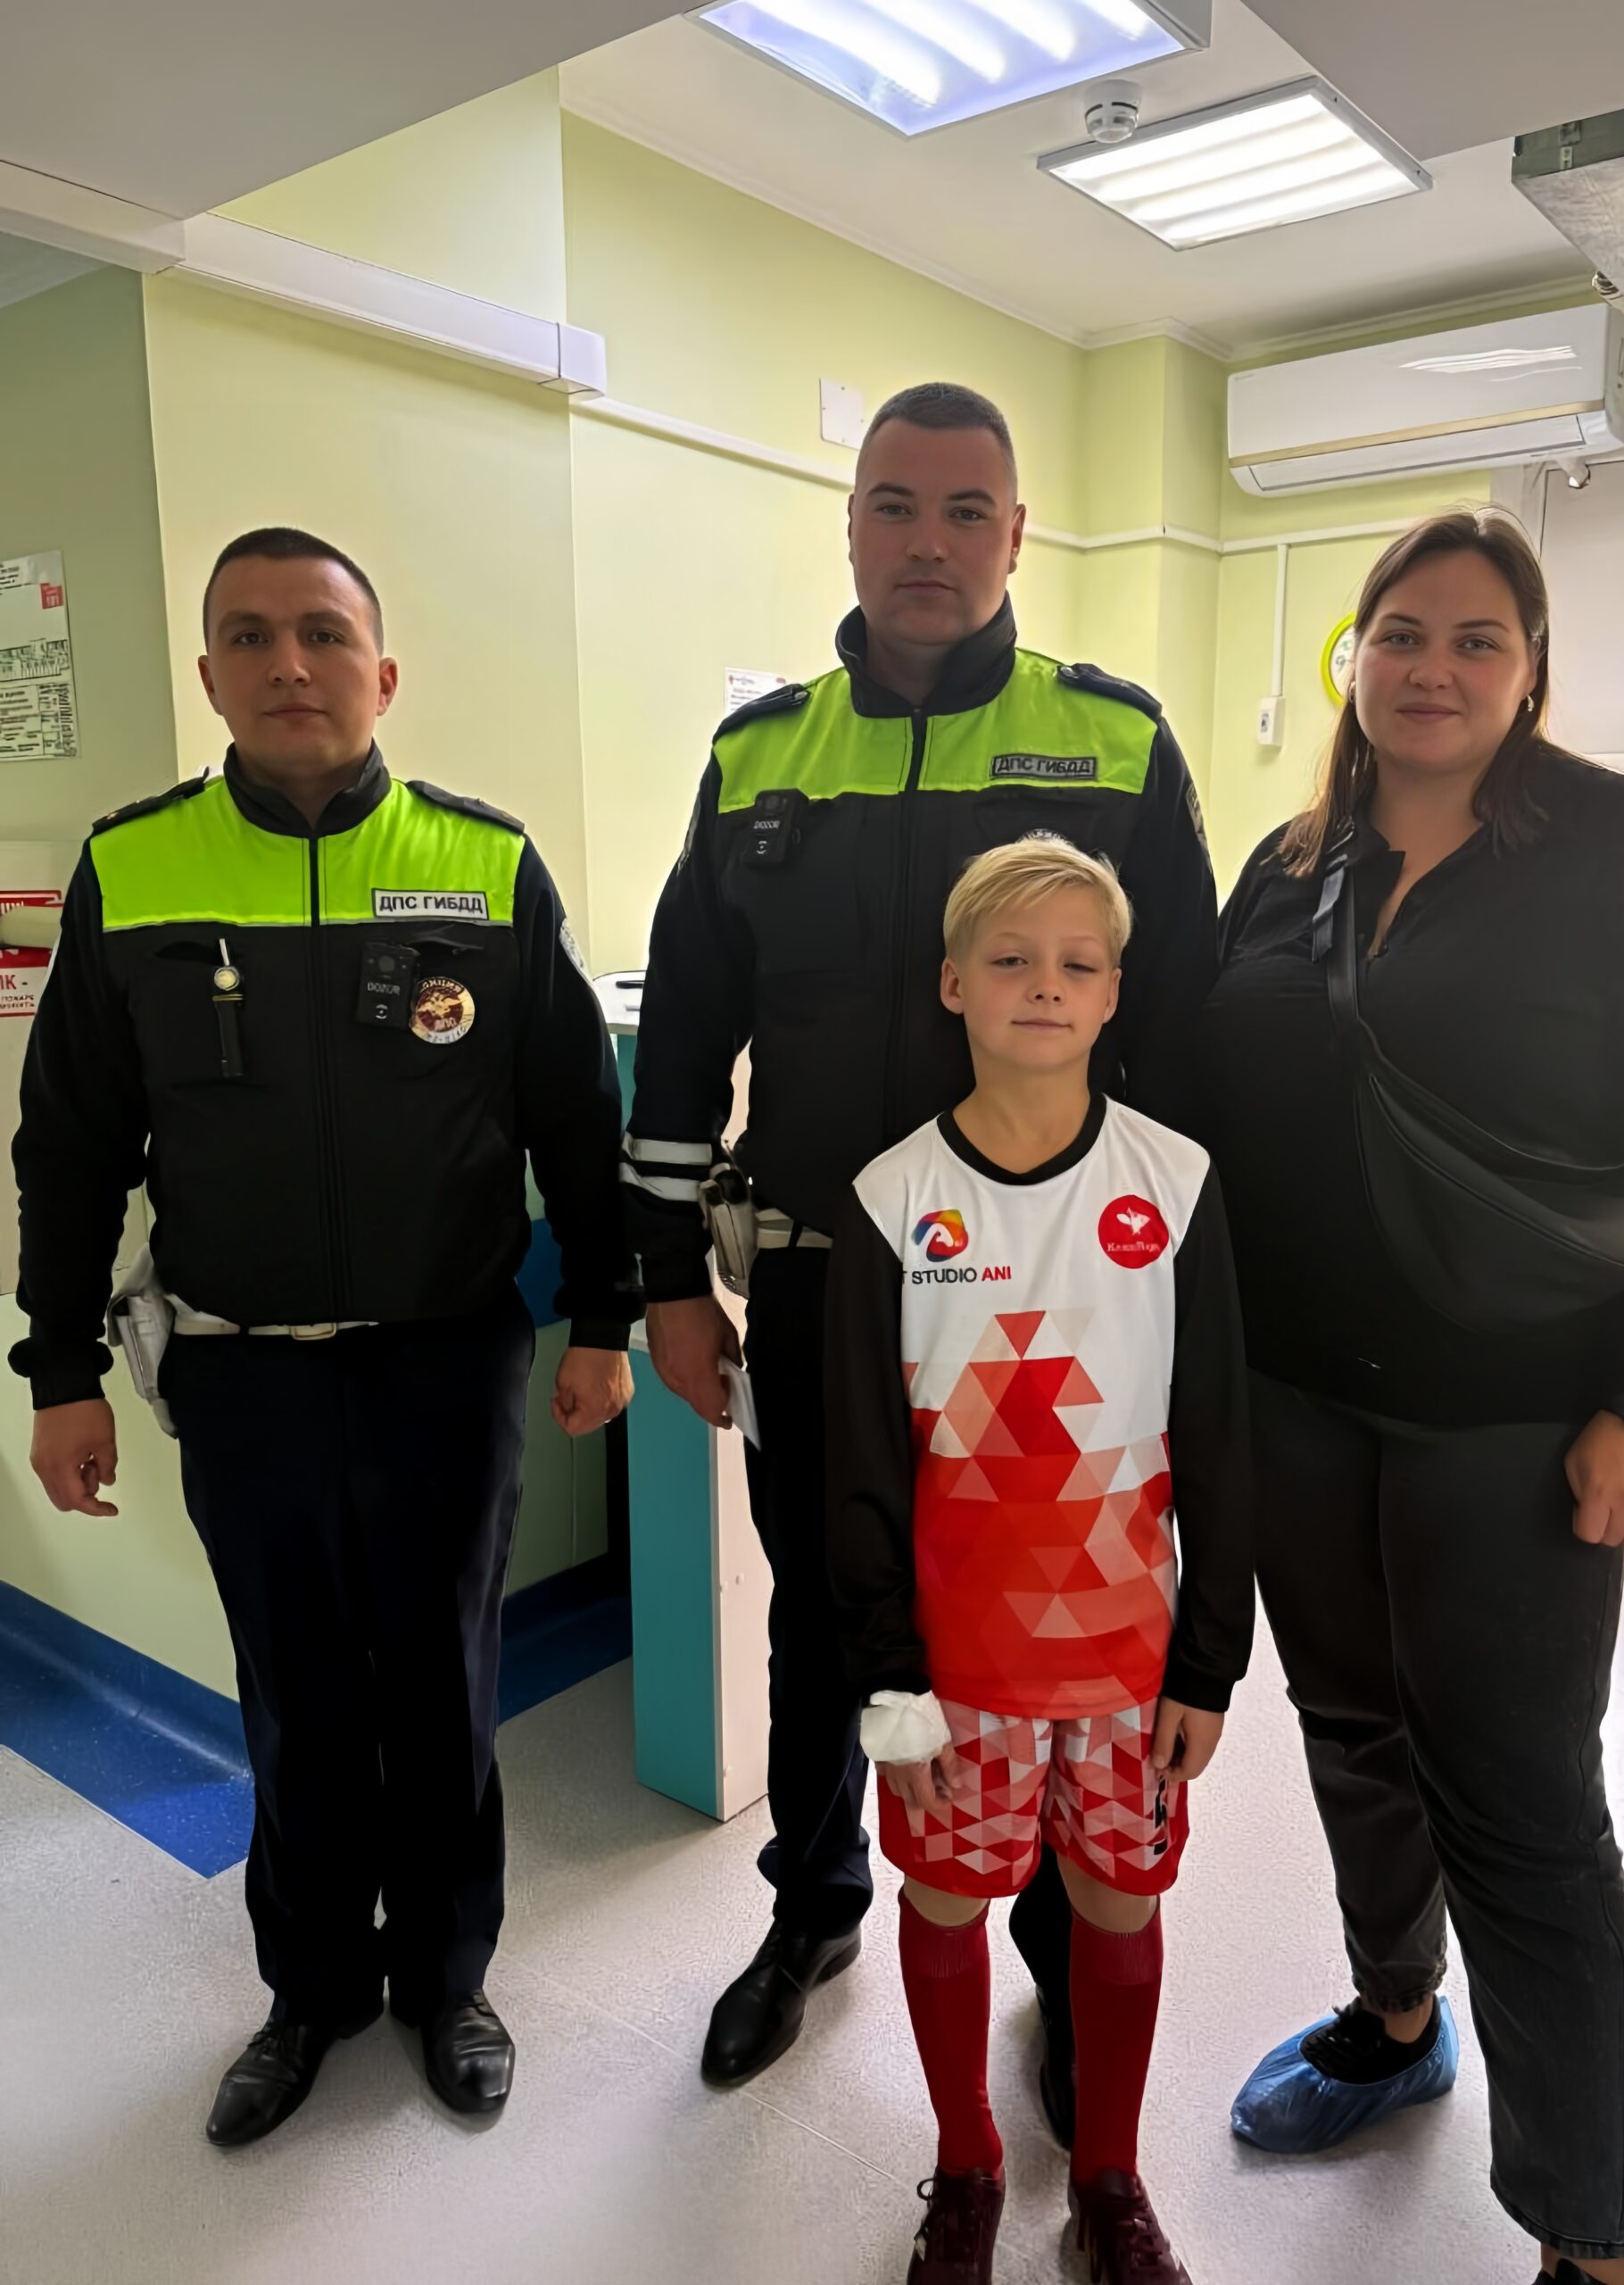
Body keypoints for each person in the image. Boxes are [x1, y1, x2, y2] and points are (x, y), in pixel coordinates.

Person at [622, 381, 1218, 2116]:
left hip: (1056, 1303)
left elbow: (1183, 1037)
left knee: (1041, 1627)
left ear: (1017, 535)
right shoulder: (761, 755)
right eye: (895, 504)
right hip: (822, 1282)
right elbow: (685, 1040)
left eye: (968, 511)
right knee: (829, 1611)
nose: (930, 542)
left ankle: (1052, 1955)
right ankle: (809, 1911)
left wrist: (1186, 1284)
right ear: (852, 524)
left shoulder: (1112, 742)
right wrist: (663, 1280)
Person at [10, 527, 639, 2148]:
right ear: (209, 674)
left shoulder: (484, 863)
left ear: (382, 672)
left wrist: (603, 1317)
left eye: (321, 633)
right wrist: (60, 1371)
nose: (288, 663)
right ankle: (309, 1993)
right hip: (241, 1367)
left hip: (447, 1358)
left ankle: (447, 1981)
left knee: (444, 1683)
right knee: (292, 1692)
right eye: (250, 636)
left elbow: (578, 1118)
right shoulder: (136, 866)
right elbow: (69, 1146)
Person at [1197, 510, 1624, 2285]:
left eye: (1478, 638)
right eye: (1401, 634)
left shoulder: (1623, 849)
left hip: (1520, 1414)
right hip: (1297, 1395)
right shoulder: (1289, 864)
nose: (1433, 668)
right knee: (1353, 1728)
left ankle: (1586, 2233)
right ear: (1353, 655)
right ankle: (1396, 2014)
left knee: (1523, 1806)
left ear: (1531, 668)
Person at [823, 836, 1253, 2285]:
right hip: (950, 1674)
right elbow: (858, 1477)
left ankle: (1112, 2180)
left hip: (1132, 1664)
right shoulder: (890, 1199)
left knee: (1121, 1908)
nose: (1044, 986)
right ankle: (968, 2167)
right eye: (1010, 959)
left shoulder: (1175, 1183)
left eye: (1078, 963)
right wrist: (889, 1690)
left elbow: (1221, 1438)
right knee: (947, 1904)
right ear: (953, 983)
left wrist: (1212, 1660)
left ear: (1116, 991)